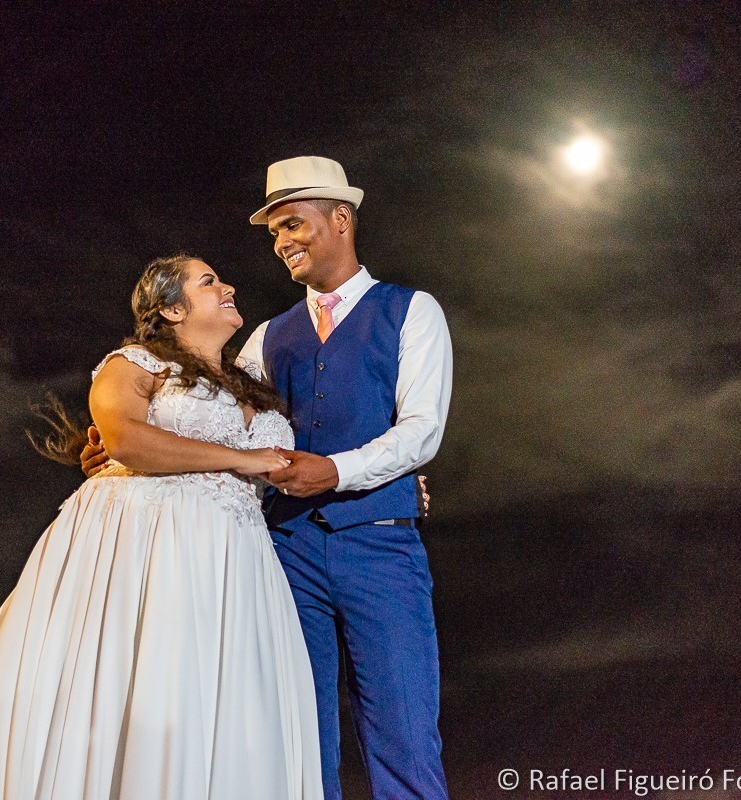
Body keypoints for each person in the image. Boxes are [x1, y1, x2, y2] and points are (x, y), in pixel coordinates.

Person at [84, 157, 453, 799]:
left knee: (405, 733)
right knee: (298, 737)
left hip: (380, 542)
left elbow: (421, 431)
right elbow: (216, 426)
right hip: (284, 553)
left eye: (292, 224)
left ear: (340, 219)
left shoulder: (411, 312)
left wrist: (340, 471)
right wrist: (123, 454)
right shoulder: (263, 339)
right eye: (275, 231)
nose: (282, 242)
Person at [0, 255, 323, 800]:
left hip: (235, 555)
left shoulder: (255, 382)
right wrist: (242, 459)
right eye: (208, 281)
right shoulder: (135, 363)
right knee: (140, 686)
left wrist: (399, 482)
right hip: (144, 538)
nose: (228, 286)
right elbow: (124, 440)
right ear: (170, 307)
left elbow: (298, 459)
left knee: (222, 701)